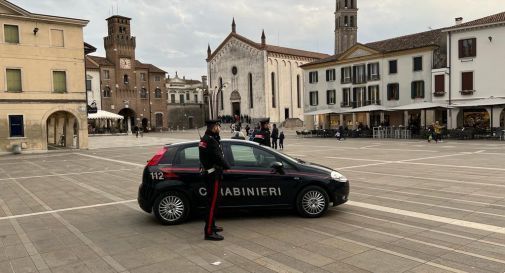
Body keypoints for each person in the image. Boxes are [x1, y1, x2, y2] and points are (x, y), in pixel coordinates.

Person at [199, 120, 230, 241]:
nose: (219, 128)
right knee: (212, 204)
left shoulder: (205, 139)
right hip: (213, 175)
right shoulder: (211, 141)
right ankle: (209, 232)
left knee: (212, 202)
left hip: (208, 174)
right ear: (214, 127)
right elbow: (218, 157)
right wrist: (228, 167)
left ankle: (212, 225)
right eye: (218, 126)